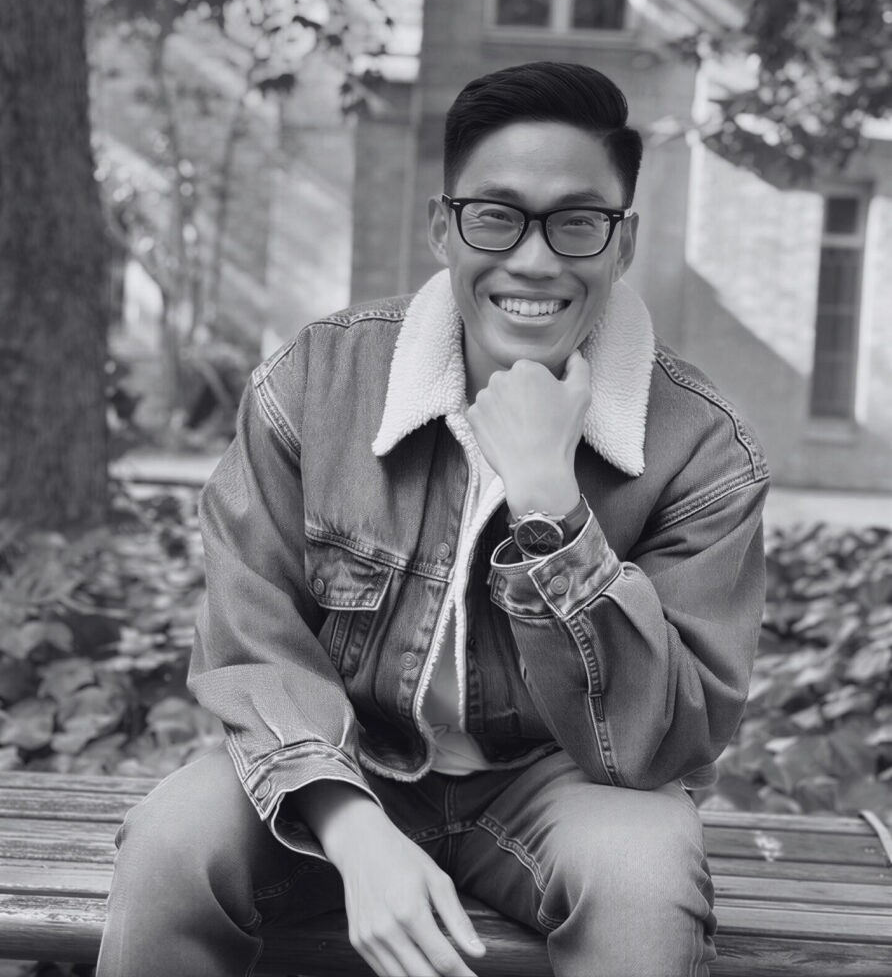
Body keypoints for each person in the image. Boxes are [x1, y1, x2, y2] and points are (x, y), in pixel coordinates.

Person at [97, 60, 769, 977]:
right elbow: (250, 642)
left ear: (622, 243)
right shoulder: (316, 384)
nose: (535, 259)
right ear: (441, 227)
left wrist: (551, 506)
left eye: (578, 222)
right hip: (345, 762)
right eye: (496, 215)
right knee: (173, 844)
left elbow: (667, 739)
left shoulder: (702, 450)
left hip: (566, 786)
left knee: (646, 877)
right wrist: (353, 828)